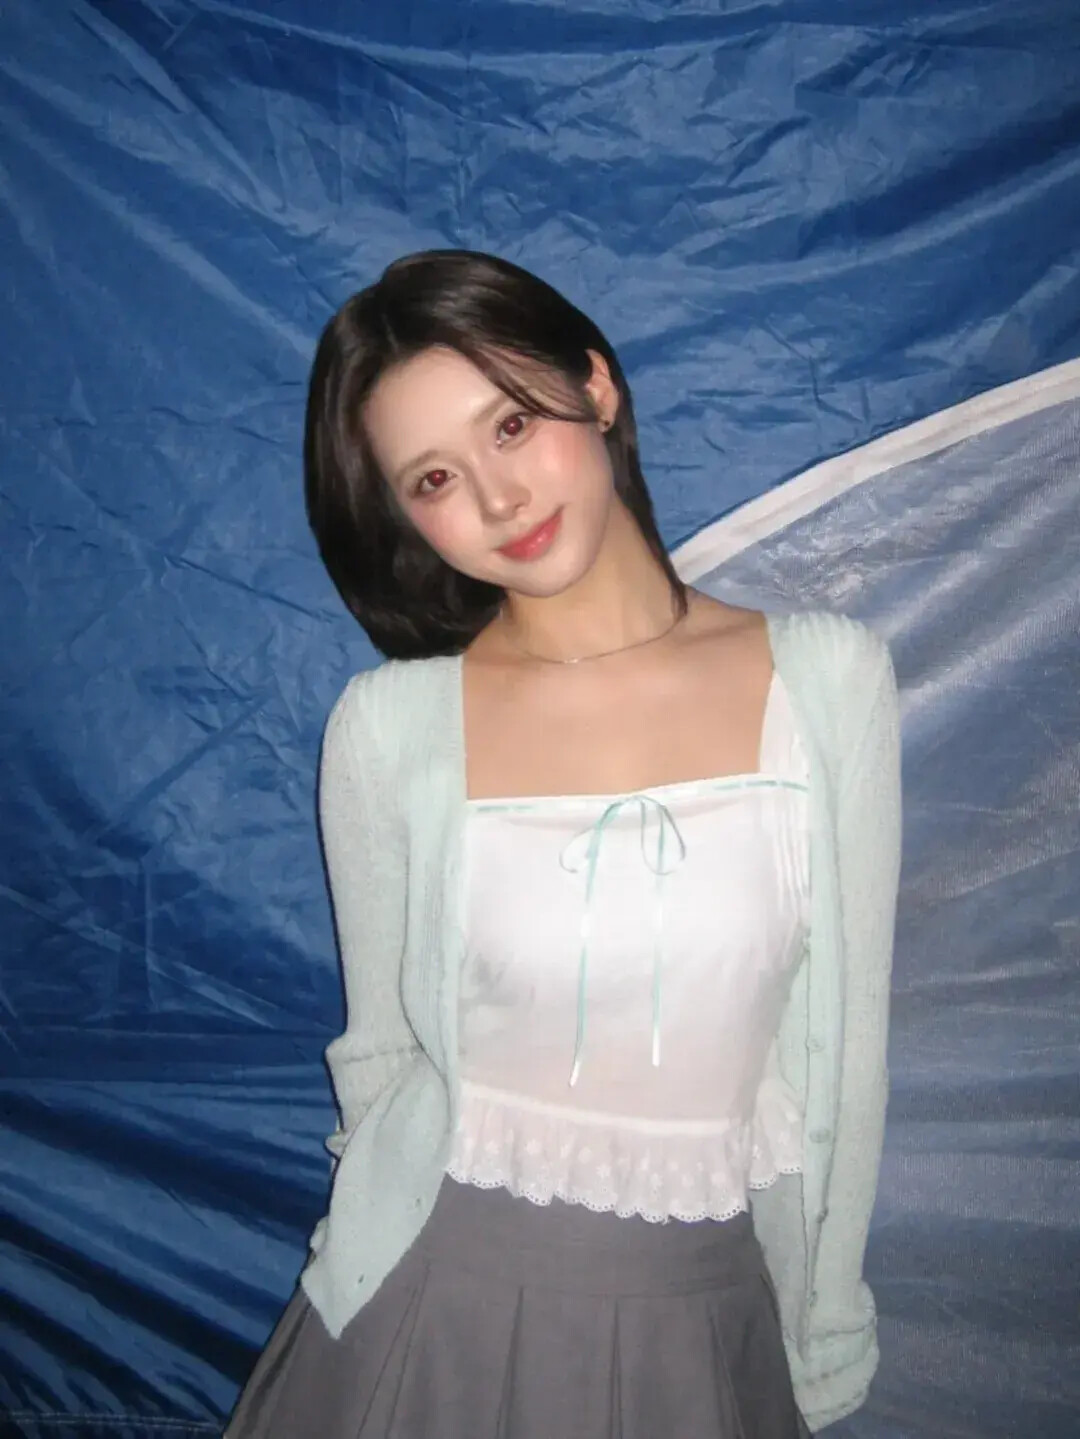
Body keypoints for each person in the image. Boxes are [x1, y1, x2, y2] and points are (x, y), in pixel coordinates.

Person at [225, 249, 902, 1438]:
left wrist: (824, 1318)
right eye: (435, 476)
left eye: (512, 423)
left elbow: (848, 1054)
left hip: (709, 1324)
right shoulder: (389, 730)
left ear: (596, 386)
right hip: (423, 1323)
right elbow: (379, 1061)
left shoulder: (827, 679)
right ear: (404, 514)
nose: (498, 499)